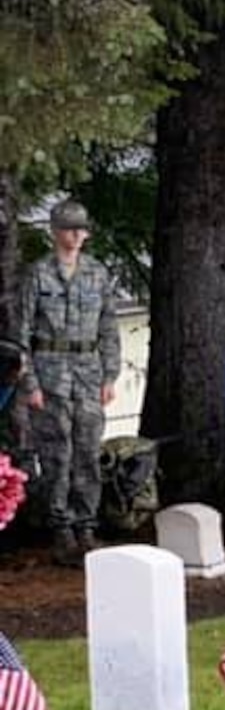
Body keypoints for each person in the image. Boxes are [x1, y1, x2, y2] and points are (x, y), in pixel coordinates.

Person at [16, 199, 121, 564]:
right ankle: (61, 530)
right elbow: (21, 335)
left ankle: (86, 527)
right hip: (49, 371)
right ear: (54, 232)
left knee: (88, 450)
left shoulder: (97, 273)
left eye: (80, 229)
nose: (75, 235)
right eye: (68, 229)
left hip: (88, 371)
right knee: (56, 454)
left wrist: (110, 375)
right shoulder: (38, 274)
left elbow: (109, 327)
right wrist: (29, 385)